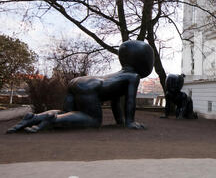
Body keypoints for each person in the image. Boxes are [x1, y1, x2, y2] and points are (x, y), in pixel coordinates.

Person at [7, 40, 154, 133]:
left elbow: (115, 101)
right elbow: (130, 101)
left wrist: (119, 122)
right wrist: (130, 122)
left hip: (80, 81)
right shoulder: (132, 77)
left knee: (67, 112)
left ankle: (35, 117)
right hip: (91, 87)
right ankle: (53, 120)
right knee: (92, 120)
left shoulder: (118, 76)